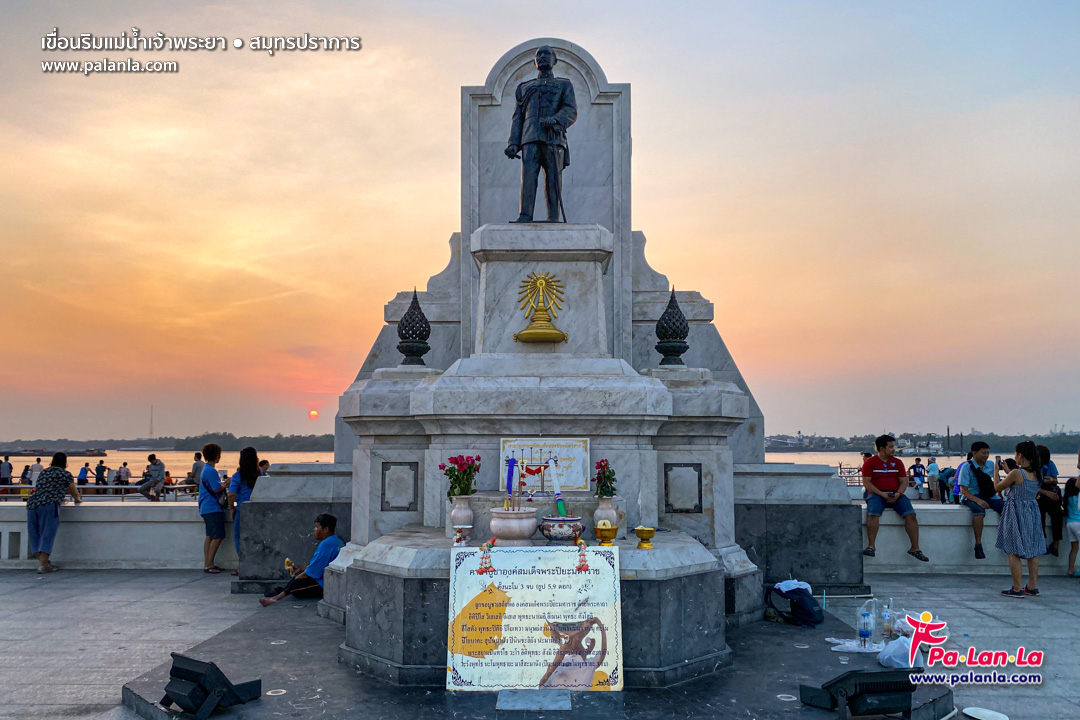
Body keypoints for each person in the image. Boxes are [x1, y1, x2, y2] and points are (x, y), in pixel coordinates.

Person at [861, 434, 929, 561]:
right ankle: (871, 546)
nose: (894, 449)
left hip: (895, 494)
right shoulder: (870, 462)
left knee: (911, 515)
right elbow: (867, 483)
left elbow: (903, 481)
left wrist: (898, 494)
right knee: (873, 514)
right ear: (882, 448)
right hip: (877, 494)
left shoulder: (897, 462)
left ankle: (915, 548)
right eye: (891, 447)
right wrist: (882, 494)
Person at [995, 441, 1046, 597]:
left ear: (1020, 455)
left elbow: (998, 487)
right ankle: (1032, 586)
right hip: (1032, 512)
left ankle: (1017, 588)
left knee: (1013, 551)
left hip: (1015, 512)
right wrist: (1009, 471)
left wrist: (996, 471)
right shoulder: (1038, 473)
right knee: (1032, 551)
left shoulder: (1017, 473)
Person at [260, 513, 344, 607]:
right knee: (296, 580)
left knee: (295, 583)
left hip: (325, 585)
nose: (314, 530)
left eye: (317, 527)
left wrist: (298, 577)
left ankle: (275, 598)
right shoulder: (335, 540)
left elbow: (313, 571)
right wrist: (300, 568)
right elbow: (319, 566)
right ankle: (282, 591)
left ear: (326, 529)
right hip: (330, 580)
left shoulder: (326, 544)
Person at [26, 452, 82, 573]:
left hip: (32, 504)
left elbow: (43, 488)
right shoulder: (65, 474)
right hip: (49, 505)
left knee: (34, 534)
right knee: (47, 534)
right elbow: (73, 491)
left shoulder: (44, 472)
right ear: (65, 462)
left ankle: (43, 562)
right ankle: (43, 565)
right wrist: (77, 499)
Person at [957, 442, 1005, 559]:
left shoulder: (990, 465)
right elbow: (964, 490)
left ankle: (1008, 540)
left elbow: (997, 484)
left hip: (988, 494)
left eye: (988, 453)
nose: (986, 456)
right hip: (971, 495)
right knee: (978, 511)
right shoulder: (966, 467)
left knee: (1006, 508)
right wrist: (978, 501)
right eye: (983, 453)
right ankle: (978, 544)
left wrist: (997, 471)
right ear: (974, 453)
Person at [228, 447, 260, 575]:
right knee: (256, 538)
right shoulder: (262, 475)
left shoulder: (238, 476)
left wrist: (232, 508)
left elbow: (231, 494)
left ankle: (244, 565)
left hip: (242, 511)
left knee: (239, 537)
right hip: (258, 511)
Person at [198, 443, 227, 573]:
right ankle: (209, 565)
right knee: (218, 535)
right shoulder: (211, 471)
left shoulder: (205, 469)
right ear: (217, 456)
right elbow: (216, 489)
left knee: (210, 535)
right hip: (212, 507)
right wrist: (226, 484)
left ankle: (208, 563)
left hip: (206, 507)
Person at [1035, 445, 1062, 557]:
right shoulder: (1032, 466)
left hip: (1050, 490)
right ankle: (1042, 542)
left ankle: (1056, 544)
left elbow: (1055, 480)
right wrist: (1045, 492)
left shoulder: (1050, 464)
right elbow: (1030, 485)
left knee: (1057, 513)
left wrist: (1051, 480)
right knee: (1040, 512)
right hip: (1039, 493)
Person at [1064, 477, 1080, 578]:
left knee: (1074, 548)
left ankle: (1071, 569)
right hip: (1079, 522)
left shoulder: (1067, 498)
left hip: (1070, 523)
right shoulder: (1078, 497)